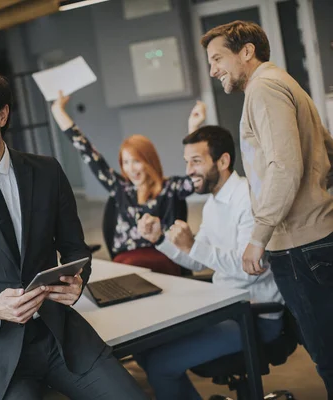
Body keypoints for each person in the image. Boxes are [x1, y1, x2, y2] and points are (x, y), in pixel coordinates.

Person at [0, 66, 147, 400]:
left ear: (2, 114)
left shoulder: (47, 171)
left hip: (60, 336)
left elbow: (76, 250)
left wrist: (78, 281)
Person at [201, 20, 333, 396]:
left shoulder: (263, 88)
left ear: (246, 51)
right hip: (316, 238)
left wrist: (258, 236)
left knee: (327, 357)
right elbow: (327, 152)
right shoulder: (285, 83)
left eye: (217, 59)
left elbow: (284, 166)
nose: (213, 70)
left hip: (299, 246)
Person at [135, 107, 283, 399]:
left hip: (253, 317)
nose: (189, 170)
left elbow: (248, 269)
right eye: (187, 162)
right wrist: (162, 240)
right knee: (145, 346)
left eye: (196, 161)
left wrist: (193, 245)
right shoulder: (214, 203)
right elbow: (197, 258)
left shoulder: (247, 200)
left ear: (223, 160)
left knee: (161, 366)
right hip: (224, 308)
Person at [51, 92, 193, 275]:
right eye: (125, 162)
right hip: (126, 263)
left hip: (163, 257)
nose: (131, 169)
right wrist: (58, 111)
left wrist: (194, 127)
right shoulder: (120, 188)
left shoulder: (170, 188)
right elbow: (86, 150)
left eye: (136, 161)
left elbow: (196, 179)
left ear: (149, 161)